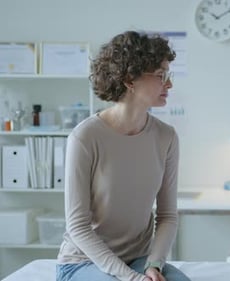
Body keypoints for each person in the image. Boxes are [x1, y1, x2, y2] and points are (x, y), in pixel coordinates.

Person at [56, 31, 191, 281]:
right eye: (161, 75)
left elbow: (167, 216)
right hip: (83, 262)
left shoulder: (166, 137)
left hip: (139, 259)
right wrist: (130, 278)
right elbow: (78, 227)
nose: (169, 84)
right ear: (130, 79)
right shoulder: (84, 138)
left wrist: (154, 265)